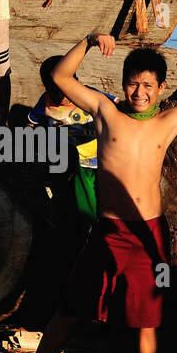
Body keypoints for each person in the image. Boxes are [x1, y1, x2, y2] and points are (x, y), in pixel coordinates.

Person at [14, 35, 177, 353]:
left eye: (149, 84)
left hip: (148, 233)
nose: (140, 91)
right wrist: (87, 42)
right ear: (123, 83)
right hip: (107, 231)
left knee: (148, 315)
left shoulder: (170, 120)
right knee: (70, 308)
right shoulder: (105, 111)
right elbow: (61, 76)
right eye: (133, 82)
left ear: (162, 88)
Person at [28, 55, 114, 234]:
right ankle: (59, 216)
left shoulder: (87, 94)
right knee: (61, 191)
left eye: (64, 90)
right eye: (54, 91)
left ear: (74, 82)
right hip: (62, 159)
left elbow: (114, 104)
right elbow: (31, 122)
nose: (61, 96)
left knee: (90, 200)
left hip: (92, 160)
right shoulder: (45, 102)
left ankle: (92, 228)